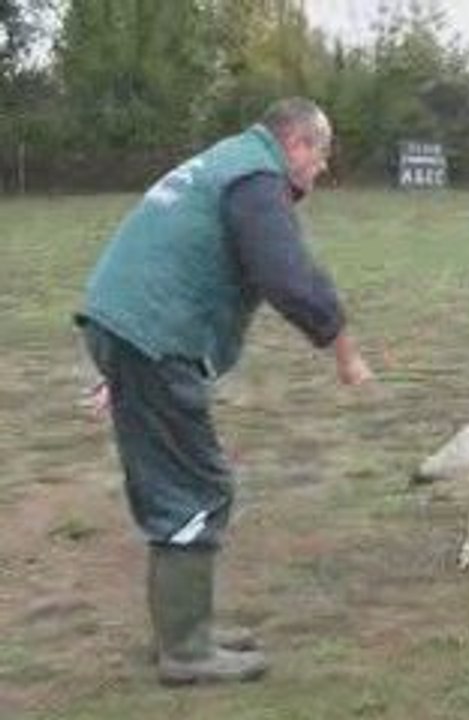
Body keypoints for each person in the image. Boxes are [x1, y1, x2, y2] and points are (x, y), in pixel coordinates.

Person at [75, 97, 373, 685]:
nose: (323, 169)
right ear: (297, 144)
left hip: (131, 331)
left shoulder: (227, 162)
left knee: (178, 485)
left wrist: (124, 366)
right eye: (321, 155)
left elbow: (163, 254)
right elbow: (289, 278)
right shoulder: (256, 178)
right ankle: (186, 652)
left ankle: (183, 631)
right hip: (148, 340)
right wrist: (345, 351)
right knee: (197, 489)